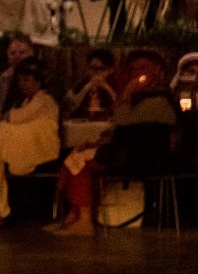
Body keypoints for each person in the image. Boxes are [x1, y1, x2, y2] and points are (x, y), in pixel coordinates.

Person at [54, 50, 178, 235]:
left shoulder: (158, 101)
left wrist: (126, 97)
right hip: (130, 154)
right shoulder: (142, 99)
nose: (137, 74)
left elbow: (124, 123)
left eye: (143, 68)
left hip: (140, 159)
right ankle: (75, 214)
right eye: (134, 69)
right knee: (76, 157)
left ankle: (85, 220)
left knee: (80, 162)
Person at [0, 59, 60, 229]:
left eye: (26, 80)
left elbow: (21, 116)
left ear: (38, 82)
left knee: (1, 130)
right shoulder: (23, 102)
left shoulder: (45, 100)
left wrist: (1, 120)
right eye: (20, 80)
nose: (21, 84)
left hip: (41, 147)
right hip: (24, 142)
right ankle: (3, 210)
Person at [0, 33, 37, 117]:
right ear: (8, 57)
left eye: (22, 52)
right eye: (13, 53)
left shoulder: (38, 78)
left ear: (32, 54)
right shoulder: (2, 77)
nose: (17, 56)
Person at [65, 49, 118, 121]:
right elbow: (70, 108)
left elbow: (120, 107)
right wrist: (86, 88)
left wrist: (106, 87)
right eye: (94, 68)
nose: (97, 72)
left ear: (110, 70)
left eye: (102, 69)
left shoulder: (115, 85)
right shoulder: (80, 85)